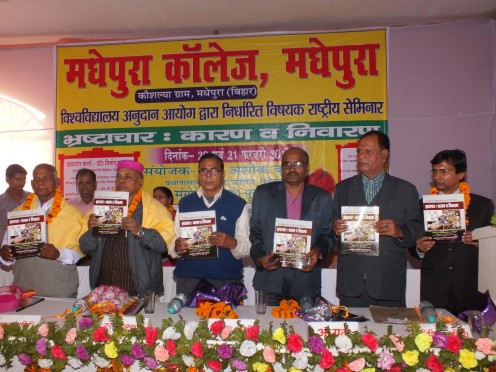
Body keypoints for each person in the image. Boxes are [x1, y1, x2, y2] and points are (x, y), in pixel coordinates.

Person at [333, 130, 423, 307]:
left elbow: (417, 229)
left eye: (368, 151)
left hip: (388, 283)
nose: (361, 156)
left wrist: (400, 231)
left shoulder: (406, 190)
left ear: (384, 155)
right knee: (348, 334)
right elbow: (330, 231)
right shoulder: (342, 188)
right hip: (351, 284)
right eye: (359, 151)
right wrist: (335, 230)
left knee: (389, 335)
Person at [410, 149, 495, 316]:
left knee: (472, 340)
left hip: (469, 288)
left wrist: (481, 245)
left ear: (461, 173)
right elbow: (411, 245)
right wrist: (419, 249)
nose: (437, 176)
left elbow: (492, 243)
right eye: (434, 171)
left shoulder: (482, 205)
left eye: (444, 171)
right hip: (435, 288)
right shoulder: (421, 205)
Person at [250, 147, 334, 305]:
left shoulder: (322, 197)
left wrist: (318, 251)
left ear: (307, 168)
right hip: (270, 281)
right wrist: (260, 258)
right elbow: (255, 232)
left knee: (305, 330)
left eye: (298, 163)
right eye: (286, 164)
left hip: (306, 283)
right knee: (268, 329)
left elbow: (327, 234)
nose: (292, 168)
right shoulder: (263, 193)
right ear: (281, 168)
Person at [79, 160, 174, 297]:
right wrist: (91, 231)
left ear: (140, 183)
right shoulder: (101, 207)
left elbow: (164, 245)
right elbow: (85, 247)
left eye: (127, 177)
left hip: (139, 290)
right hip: (104, 289)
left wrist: (140, 231)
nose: (121, 181)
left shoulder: (154, 209)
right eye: (118, 177)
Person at [169, 153, 250, 297]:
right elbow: (174, 238)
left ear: (222, 174)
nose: (208, 175)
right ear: (198, 174)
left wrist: (233, 243)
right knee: (184, 320)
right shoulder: (185, 203)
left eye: (214, 170)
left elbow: (246, 247)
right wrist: (176, 246)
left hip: (226, 281)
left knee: (227, 320)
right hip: (188, 280)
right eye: (203, 170)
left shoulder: (237, 204)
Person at [0, 164, 85, 297]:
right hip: (24, 290)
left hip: (60, 290)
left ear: (57, 182)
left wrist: (59, 253)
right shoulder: (19, 212)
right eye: (37, 179)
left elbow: (80, 252)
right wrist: (5, 255)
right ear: (32, 184)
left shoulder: (74, 214)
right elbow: (7, 252)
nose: (40, 182)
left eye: (45, 178)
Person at [0, 164, 29, 241]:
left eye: (24, 179)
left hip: (29, 243)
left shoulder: (33, 198)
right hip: (5, 247)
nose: (22, 182)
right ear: (7, 180)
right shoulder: (1, 201)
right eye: (18, 179)